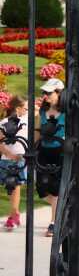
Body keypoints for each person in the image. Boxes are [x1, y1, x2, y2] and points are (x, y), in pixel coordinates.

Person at [36, 80, 65, 237]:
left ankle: (53, 223)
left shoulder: (67, 112)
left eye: (49, 93)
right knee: (41, 188)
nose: (45, 96)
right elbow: (38, 132)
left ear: (59, 93)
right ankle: (61, 204)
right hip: (43, 151)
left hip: (59, 152)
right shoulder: (42, 111)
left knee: (55, 189)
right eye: (44, 93)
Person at [0, 96, 27, 231]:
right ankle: (15, 213)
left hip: (20, 159)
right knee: (10, 188)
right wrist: (9, 154)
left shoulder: (26, 120)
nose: (27, 110)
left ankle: (13, 216)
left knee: (15, 186)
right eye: (25, 108)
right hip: (7, 159)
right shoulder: (4, 122)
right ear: (18, 109)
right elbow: (0, 142)